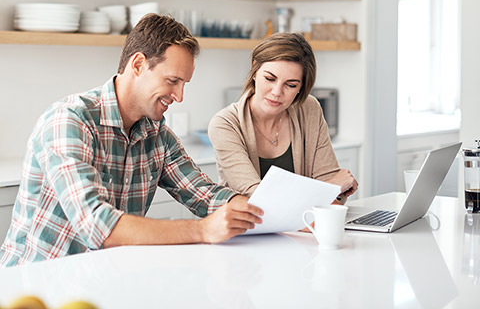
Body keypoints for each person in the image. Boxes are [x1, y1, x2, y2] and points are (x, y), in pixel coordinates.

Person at [0, 14, 262, 267]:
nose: (179, 96)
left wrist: (253, 211)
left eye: (184, 84)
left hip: (102, 280)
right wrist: (203, 230)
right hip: (35, 283)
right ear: (138, 64)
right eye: (172, 81)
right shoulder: (70, 120)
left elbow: (207, 195)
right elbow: (97, 225)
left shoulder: (157, 135)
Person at [208, 32, 358, 201]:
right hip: (249, 227)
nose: (277, 92)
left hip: (303, 226)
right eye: (270, 78)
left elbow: (336, 196)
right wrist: (330, 188)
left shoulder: (309, 109)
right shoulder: (225, 124)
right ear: (254, 69)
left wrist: (330, 189)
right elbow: (257, 198)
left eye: (291, 84)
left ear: (301, 87)